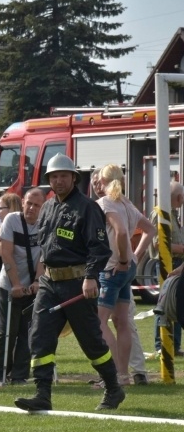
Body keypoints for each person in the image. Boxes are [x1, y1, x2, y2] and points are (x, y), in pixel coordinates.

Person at [15, 154, 125, 412]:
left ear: (73, 178)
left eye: (64, 175)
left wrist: (90, 277)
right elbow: (45, 248)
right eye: (54, 176)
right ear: (49, 180)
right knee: (39, 336)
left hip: (77, 284)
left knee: (91, 341)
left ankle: (113, 388)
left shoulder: (88, 207)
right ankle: (42, 394)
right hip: (49, 283)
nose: (59, 180)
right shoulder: (49, 207)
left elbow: (99, 249)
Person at [96, 164, 155, 386]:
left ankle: (114, 374)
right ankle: (122, 375)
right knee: (121, 321)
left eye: (99, 180)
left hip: (112, 268)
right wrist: (135, 256)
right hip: (126, 268)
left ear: (104, 181)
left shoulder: (105, 203)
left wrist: (122, 259)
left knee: (99, 322)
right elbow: (150, 229)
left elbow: (120, 231)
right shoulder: (127, 204)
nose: (97, 184)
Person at [0, 189, 44, 385]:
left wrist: (38, 281)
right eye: (29, 203)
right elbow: (6, 254)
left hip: (32, 284)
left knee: (27, 330)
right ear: (23, 202)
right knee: (7, 329)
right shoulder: (12, 220)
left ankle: (20, 374)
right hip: (9, 284)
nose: (31, 208)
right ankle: (0, 371)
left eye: (36, 205)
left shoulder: (44, 223)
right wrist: (16, 284)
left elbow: (43, 256)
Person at [152, 181, 184, 357]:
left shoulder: (171, 214)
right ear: (179, 197)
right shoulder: (160, 214)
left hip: (177, 264)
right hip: (168, 264)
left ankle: (174, 345)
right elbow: (158, 244)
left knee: (177, 305)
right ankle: (160, 345)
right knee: (164, 304)